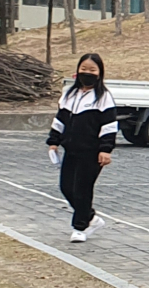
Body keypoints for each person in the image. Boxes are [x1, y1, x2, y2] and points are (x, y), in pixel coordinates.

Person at [46, 52, 117, 243]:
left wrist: (105, 149)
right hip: (72, 149)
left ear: (100, 73)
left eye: (92, 70)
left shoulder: (104, 97)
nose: (87, 73)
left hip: (92, 152)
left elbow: (109, 125)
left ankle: (80, 227)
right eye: (84, 69)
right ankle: (91, 218)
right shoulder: (69, 94)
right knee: (66, 187)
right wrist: (53, 141)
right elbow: (60, 120)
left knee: (83, 189)